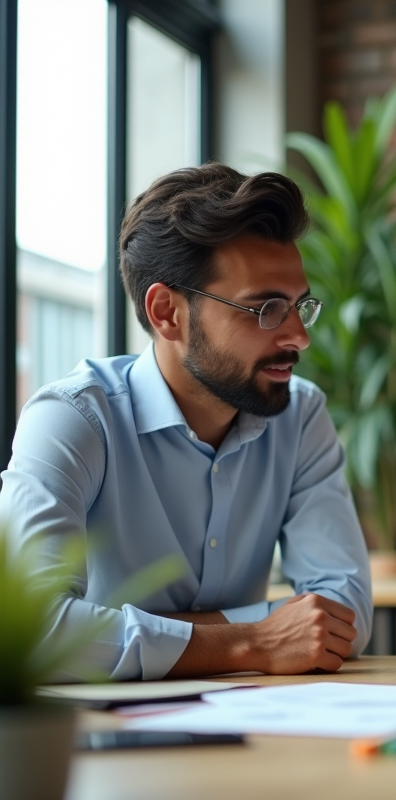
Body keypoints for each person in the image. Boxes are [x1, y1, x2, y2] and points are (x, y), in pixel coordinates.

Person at [0, 164, 372, 681]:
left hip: (253, 730)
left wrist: (135, 635)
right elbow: (29, 631)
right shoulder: (72, 419)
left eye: (298, 306)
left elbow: (343, 613)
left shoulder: (300, 414)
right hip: (99, 745)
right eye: (265, 308)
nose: (298, 337)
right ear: (166, 313)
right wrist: (252, 642)